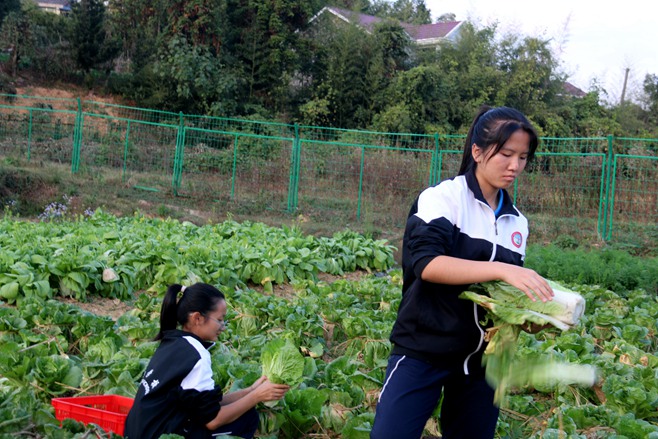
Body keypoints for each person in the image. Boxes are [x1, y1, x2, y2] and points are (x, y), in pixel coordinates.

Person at [370, 106, 554, 439]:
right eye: (506, 154)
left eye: (523, 157)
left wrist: (528, 316)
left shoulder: (517, 222)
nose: (515, 166)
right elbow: (427, 264)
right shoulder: (442, 199)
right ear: (478, 151)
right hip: (423, 348)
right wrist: (500, 269)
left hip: (481, 361)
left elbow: (500, 297)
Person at [124, 282, 290, 439]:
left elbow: (206, 404)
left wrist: (250, 390)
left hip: (138, 431)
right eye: (219, 319)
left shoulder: (173, 341)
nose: (223, 326)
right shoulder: (197, 355)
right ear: (197, 318)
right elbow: (213, 420)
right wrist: (257, 396)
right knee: (247, 419)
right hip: (161, 434)